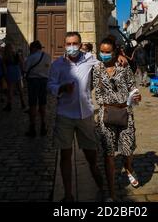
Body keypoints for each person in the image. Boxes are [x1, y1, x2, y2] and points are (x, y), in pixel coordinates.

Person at [47, 31, 104, 202]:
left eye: (75, 43)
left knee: (91, 156)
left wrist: (120, 58)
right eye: (68, 44)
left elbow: (105, 62)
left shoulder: (89, 59)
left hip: (85, 114)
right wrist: (61, 88)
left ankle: (102, 187)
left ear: (80, 44)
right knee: (65, 156)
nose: (72, 47)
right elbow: (50, 85)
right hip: (64, 115)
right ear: (64, 45)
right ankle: (68, 194)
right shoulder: (58, 65)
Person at [93, 37, 141, 202]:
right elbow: (97, 94)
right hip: (106, 115)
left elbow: (132, 86)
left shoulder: (123, 67)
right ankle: (111, 193)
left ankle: (128, 168)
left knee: (127, 151)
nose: (104, 55)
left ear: (115, 52)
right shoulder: (97, 68)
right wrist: (108, 102)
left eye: (107, 52)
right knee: (109, 154)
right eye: (102, 52)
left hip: (124, 113)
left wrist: (135, 95)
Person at [25, 40, 52, 137]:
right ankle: (43, 124)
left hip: (33, 81)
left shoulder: (31, 57)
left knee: (33, 104)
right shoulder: (48, 56)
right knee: (43, 103)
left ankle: (32, 127)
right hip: (44, 81)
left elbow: (25, 69)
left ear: (34, 48)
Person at [2, 43, 26, 111]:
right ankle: (23, 103)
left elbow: (4, 67)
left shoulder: (5, 56)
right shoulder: (16, 54)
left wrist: (5, 74)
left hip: (10, 71)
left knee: (10, 89)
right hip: (17, 71)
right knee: (20, 88)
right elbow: (21, 63)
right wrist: (22, 71)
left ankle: (9, 104)